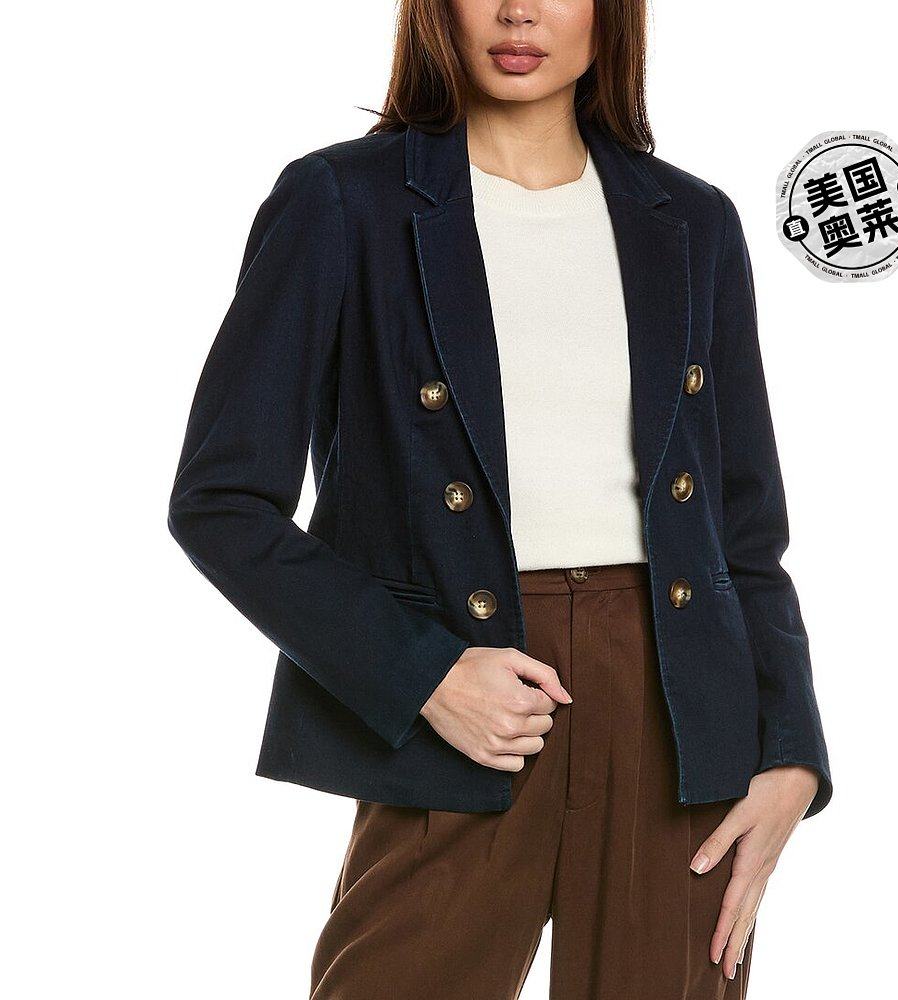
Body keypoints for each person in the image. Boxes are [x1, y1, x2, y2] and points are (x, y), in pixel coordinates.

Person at [168, 2, 831, 997]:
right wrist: (423, 673)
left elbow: (744, 531)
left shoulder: (693, 222)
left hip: (679, 708)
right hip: (464, 691)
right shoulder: (343, 202)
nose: (519, 10)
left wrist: (791, 753)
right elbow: (219, 500)